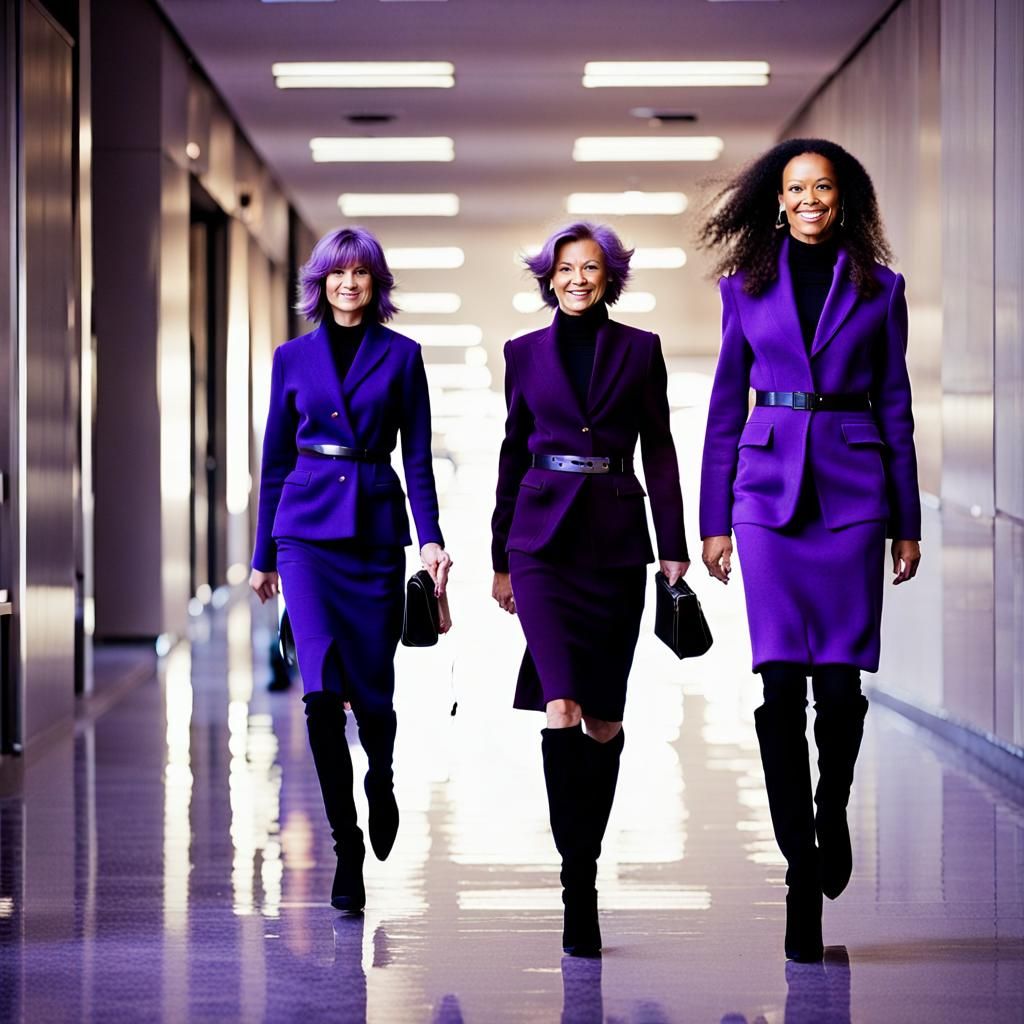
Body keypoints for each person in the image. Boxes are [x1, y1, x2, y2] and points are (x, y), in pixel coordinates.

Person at [697, 138, 922, 962]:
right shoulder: (744, 289)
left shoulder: (882, 289)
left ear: (845, 198)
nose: (809, 199)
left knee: (840, 680)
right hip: (765, 499)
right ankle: (800, 869)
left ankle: (832, 809)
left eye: (823, 187)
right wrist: (714, 519)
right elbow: (726, 407)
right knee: (780, 681)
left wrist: (908, 519)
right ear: (776, 199)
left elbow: (895, 406)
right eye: (796, 188)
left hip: (856, 496)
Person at [490, 221, 689, 957]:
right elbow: (513, 451)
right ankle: (577, 885)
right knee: (562, 703)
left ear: (610, 277)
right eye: (565, 268)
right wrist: (499, 558)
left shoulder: (641, 351)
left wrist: (673, 550)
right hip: (539, 545)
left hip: (614, 544)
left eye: (591, 268)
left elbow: (661, 451)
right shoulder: (523, 353)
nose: (578, 278)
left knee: (603, 716)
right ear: (549, 277)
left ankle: (588, 859)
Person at [249, 226, 453, 913]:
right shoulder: (291, 357)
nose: (349, 284)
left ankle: (383, 777)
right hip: (304, 537)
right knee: (318, 691)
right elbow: (276, 462)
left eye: (362, 273)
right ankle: (346, 849)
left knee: (372, 689)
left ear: (376, 284)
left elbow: (418, 458)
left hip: (372, 534)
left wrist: (430, 540)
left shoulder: (402, 358)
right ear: (321, 283)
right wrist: (261, 559)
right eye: (338, 274)